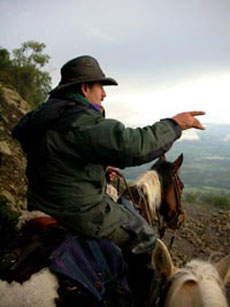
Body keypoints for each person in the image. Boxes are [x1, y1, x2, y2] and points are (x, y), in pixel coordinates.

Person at [12, 55, 205, 305]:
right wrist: (175, 124)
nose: (104, 95)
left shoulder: (47, 117)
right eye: (100, 87)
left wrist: (99, 169)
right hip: (79, 211)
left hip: (44, 201)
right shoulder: (79, 120)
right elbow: (132, 146)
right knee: (146, 238)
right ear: (84, 88)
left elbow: (56, 160)